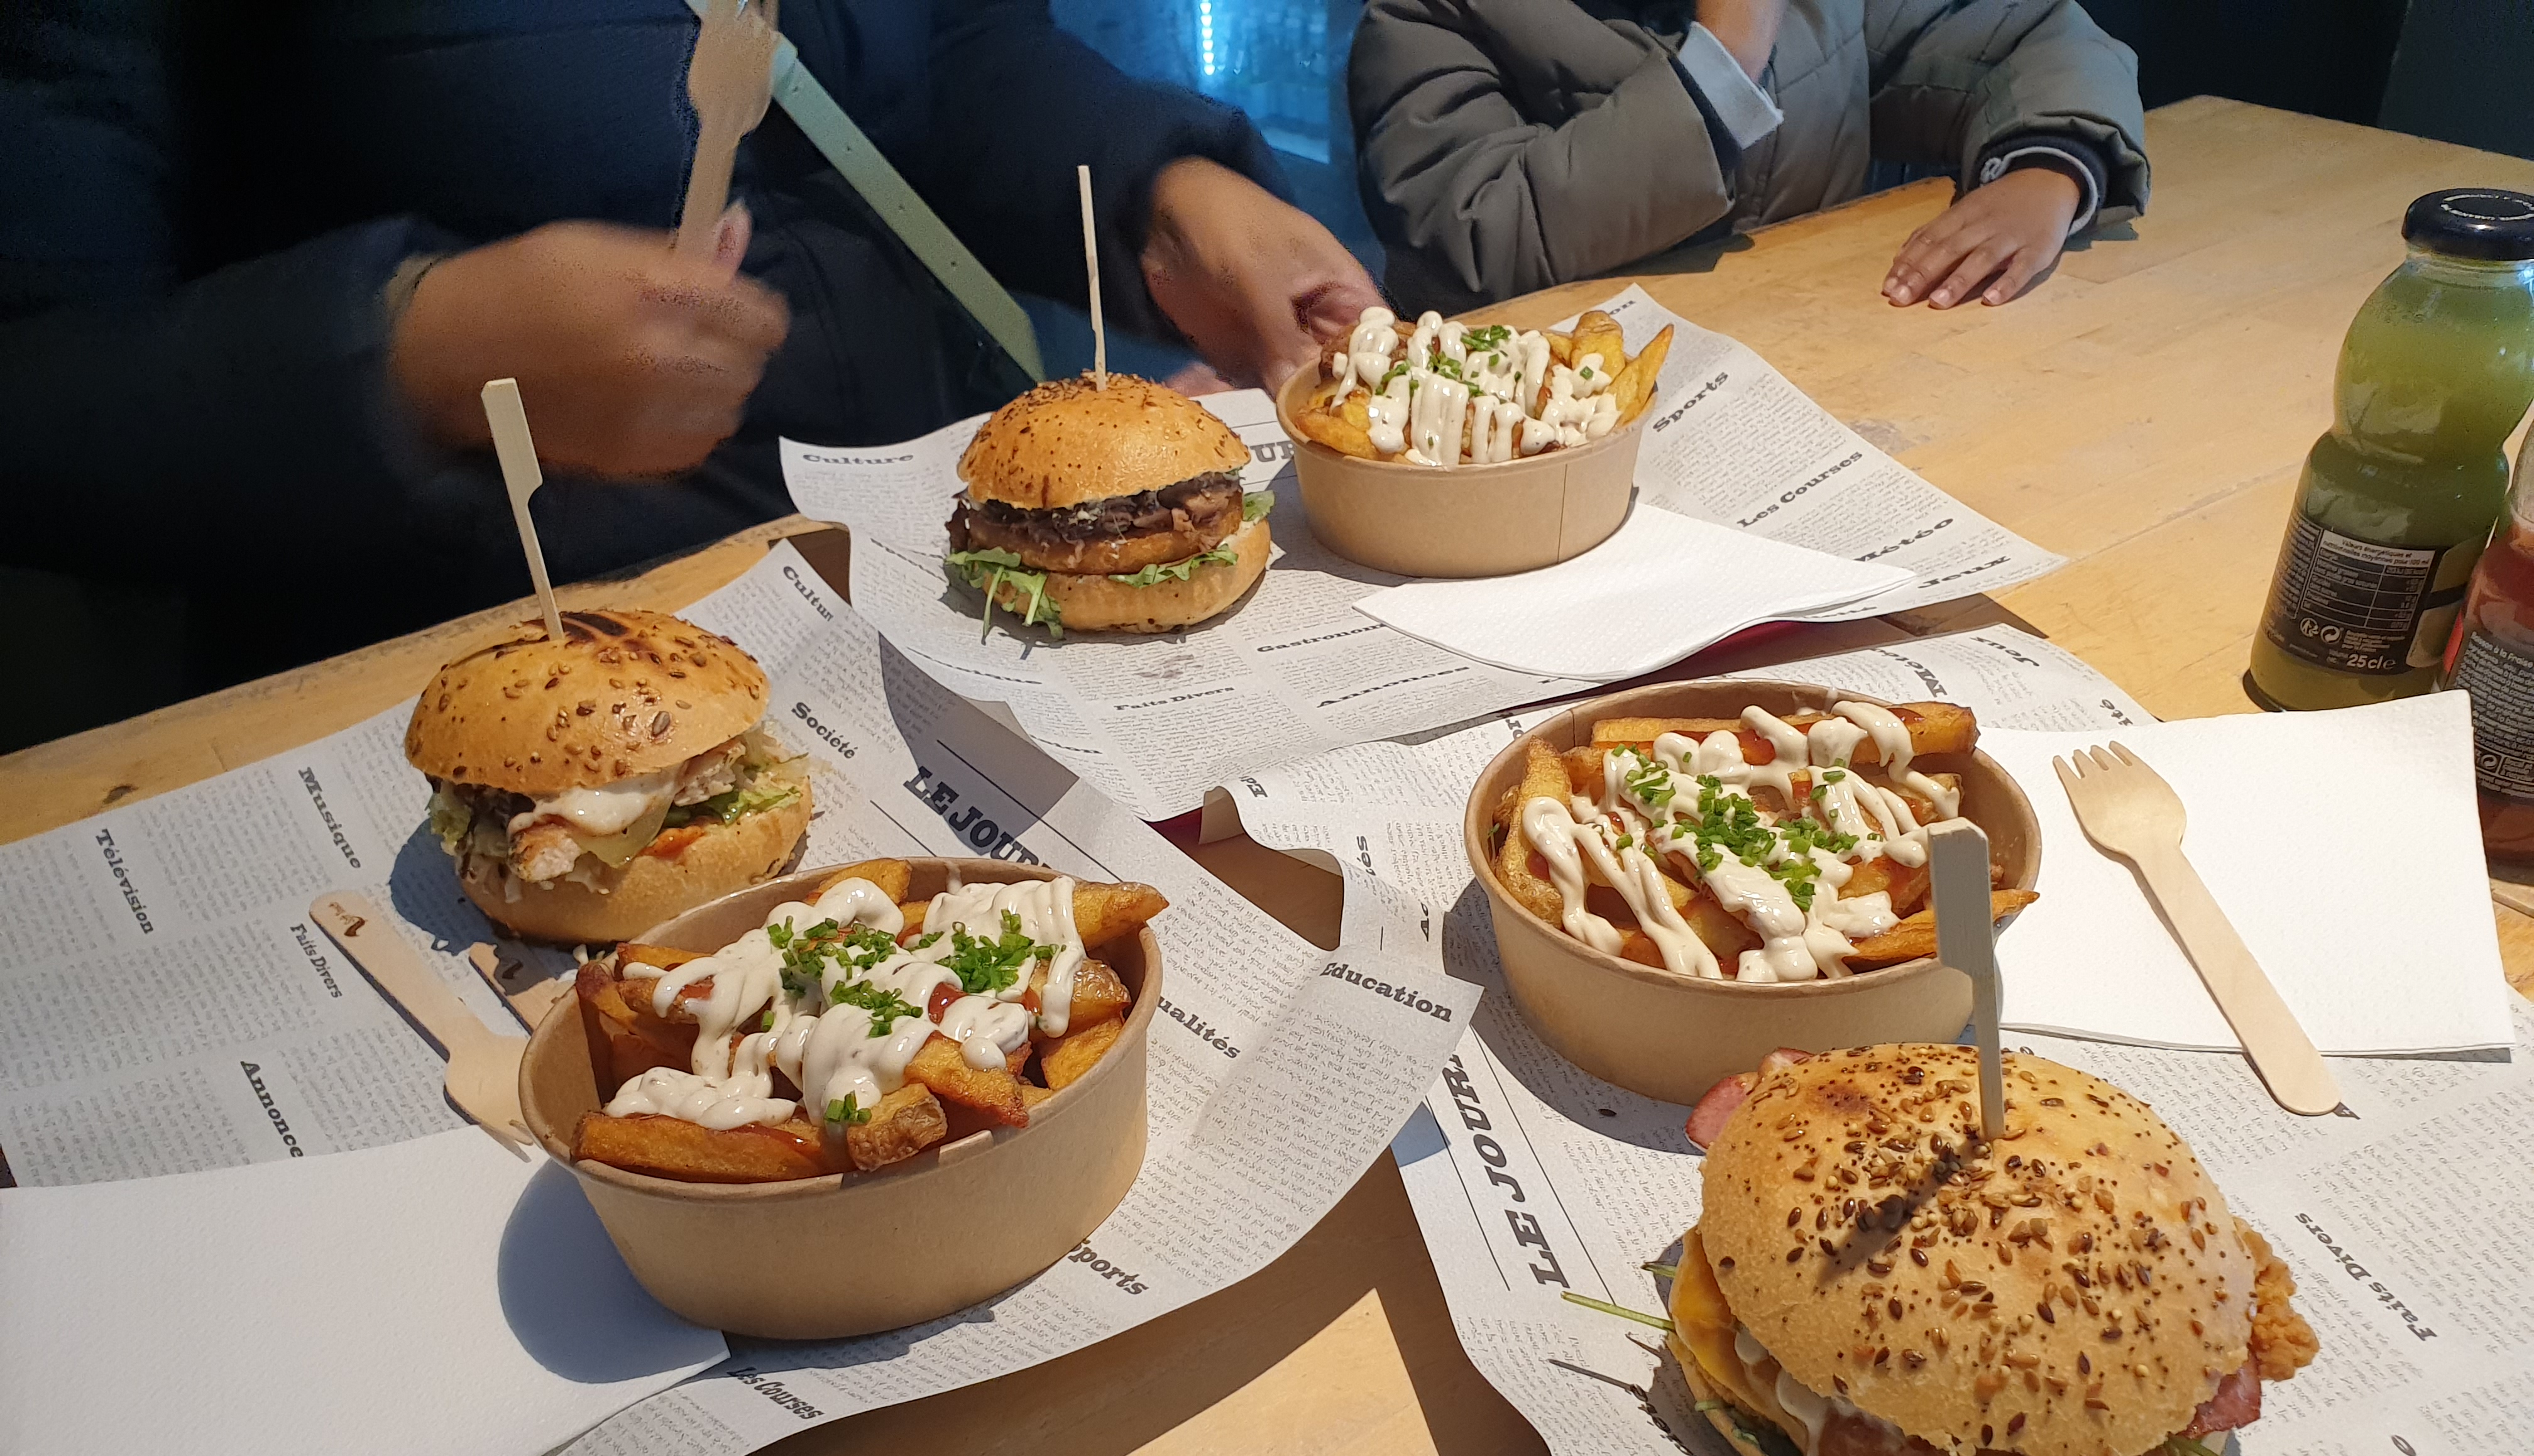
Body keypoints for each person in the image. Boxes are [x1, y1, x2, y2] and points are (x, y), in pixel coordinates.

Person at [0, 3, 1378, 690]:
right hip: (503, 638)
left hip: (939, 580)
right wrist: (415, 356)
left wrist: (1159, 185)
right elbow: (44, 374)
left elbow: (945, 49)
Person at [1348, 0, 2148, 318]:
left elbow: (2019, 35)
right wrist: (1724, 62)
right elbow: (1474, 242)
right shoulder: (1428, 15)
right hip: (1545, 435)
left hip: (1816, 370)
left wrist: (2052, 165)